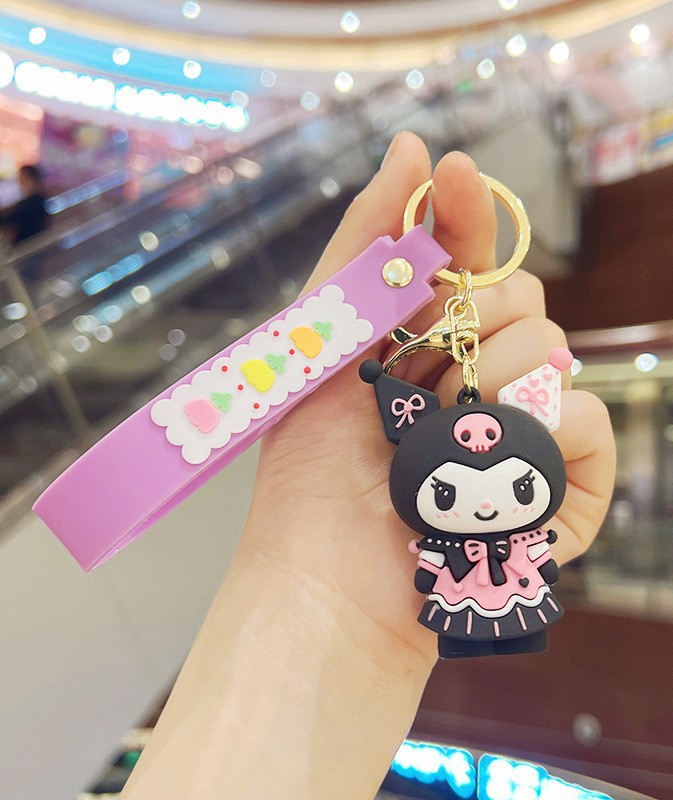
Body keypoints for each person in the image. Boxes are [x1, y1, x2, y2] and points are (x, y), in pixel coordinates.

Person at [118, 132, 616, 800]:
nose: (486, 505)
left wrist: (344, 630)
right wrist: (315, 602)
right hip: (455, 591)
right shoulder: (407, 489)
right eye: (457, 494)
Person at [0, 165, 48, 247]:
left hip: (28, 246)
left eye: (21, 177)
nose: (19, 180)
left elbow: (12, 219)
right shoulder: (36, 200)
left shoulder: (33, 202)